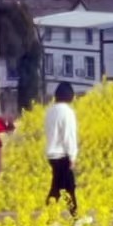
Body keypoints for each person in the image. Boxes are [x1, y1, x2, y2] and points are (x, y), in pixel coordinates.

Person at [44, 80, 81, 217]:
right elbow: (68, 135)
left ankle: (73, 217)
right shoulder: (67, 112)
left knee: (62, 187)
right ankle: (55, 219)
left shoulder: (50, 111)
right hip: (62, 154)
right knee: (63, 188)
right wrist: (72, 156)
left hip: (52, 154)